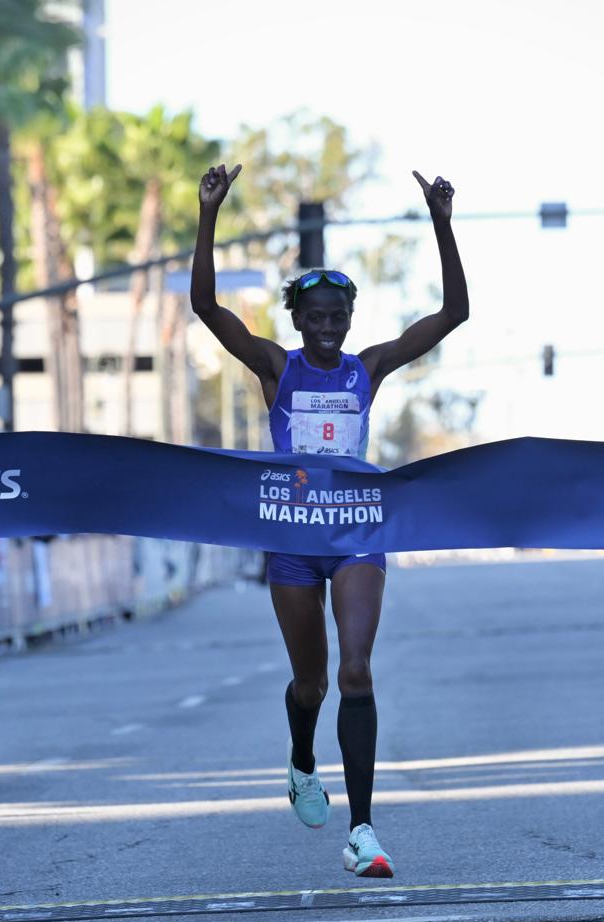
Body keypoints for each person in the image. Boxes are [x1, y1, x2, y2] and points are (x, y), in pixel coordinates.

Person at [191, 162, 468, 878]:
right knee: (308, 682)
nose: (324, 328)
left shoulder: (366, 369)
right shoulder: (275, 367)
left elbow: (452, 315)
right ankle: (300, 758)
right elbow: (205, 308)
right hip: (290, 540)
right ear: (297, 321)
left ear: (348, 321)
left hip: (355, 536)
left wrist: (441, 223)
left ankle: (363, 829)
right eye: (313, 318)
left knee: (354, 670)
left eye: (335, 318)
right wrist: (208, 214)